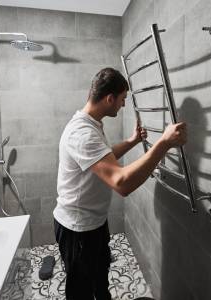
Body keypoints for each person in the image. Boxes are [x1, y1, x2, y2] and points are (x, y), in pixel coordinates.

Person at [53, 67, 187, 299]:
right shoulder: (82, 133)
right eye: (122, 99)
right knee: (81, 293)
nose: (123, 104)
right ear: (109, 98)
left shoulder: (90, 124)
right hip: (78, 229)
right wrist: (164, 143)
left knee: (100, 283)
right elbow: (121, 183)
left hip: (93, 224)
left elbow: (102, 157)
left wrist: (132, 141)